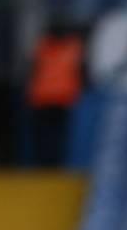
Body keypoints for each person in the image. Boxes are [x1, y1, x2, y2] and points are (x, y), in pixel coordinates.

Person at [26, 20, 84, 166]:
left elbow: (32, 71)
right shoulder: (69, 47)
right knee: (50, 136)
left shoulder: (44, 46)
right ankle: (49, 165)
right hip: (50, 99)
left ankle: (51, 164)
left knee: (51, 136)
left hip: (53, 99)